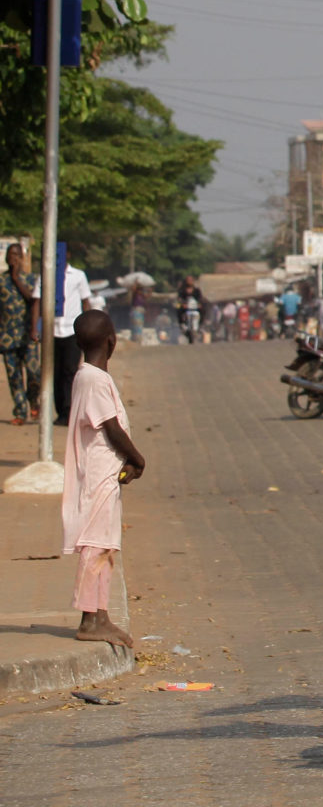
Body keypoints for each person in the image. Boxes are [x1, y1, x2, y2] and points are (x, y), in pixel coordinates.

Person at [62, 311, 144, 650]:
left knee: (106, 546)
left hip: (104, 471)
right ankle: (88, 619)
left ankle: (100, 613)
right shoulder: (94, 379)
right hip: (98, 474)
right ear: (112, 341)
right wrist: (137, 458)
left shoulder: (91, 376)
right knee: (96, 545)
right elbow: (111, 428)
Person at [52, 259, 97, 428]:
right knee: (56, 374)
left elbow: (86, 301)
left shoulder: (78, 276)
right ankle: (61, 411)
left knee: (70, 371)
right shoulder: (47, 274)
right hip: (53, 331)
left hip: (72, 331)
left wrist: (88, 327)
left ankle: (70, 410)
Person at [2, 243, 39, 426]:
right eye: (10, 255)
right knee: (14, 377)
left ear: (22, 258)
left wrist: (16, 278)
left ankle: (33, 401)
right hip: (7, 337)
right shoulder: (1, 281)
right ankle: (20, 412)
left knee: (34, 373)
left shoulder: (32, 279)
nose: (13, 258)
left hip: (28, 335)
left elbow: (33, 299)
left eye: (16, 255)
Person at [174, 275, 207, 344]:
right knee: (178, 309)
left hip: (195, 307)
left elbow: (200, 298)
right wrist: (183, 304)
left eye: (191, 280)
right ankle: (182, 324)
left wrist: (200, 304)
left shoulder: (197, 290)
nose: (189, 282)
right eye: (188, 280)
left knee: (203, 310)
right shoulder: (182, 291)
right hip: (186, 308)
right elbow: (179, 298)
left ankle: (201, 325)